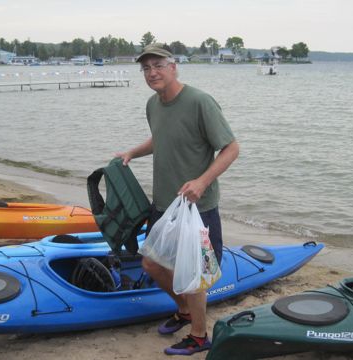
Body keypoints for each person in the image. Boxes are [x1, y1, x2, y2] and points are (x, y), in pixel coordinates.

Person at [116, 43, 239, 356]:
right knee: (152, 264)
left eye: (158, 65)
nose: (152, 72)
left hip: (197, 208)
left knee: (194, 275)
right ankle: (184, 311)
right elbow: (162, 137)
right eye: (146, 68)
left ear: (174, 67)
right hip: (165, 205)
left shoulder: (200, 102)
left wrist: (202, 181)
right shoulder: (153, 104)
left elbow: (231, 148)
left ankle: (199, 336)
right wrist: (133, 151)